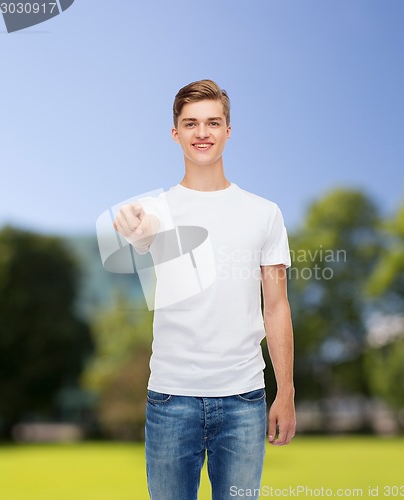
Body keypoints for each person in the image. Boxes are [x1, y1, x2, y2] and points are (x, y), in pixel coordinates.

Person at [113, 79, 296, 500]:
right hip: (170, 400)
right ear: (175, 133)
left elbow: (278, 307)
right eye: (190, 123)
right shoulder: (156, 210)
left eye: (213, 122)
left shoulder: (264, 213)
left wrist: (284, 390)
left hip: (244, 401)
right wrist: (129, 222)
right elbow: (137, 229)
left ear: (228, 131)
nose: (202, 132)